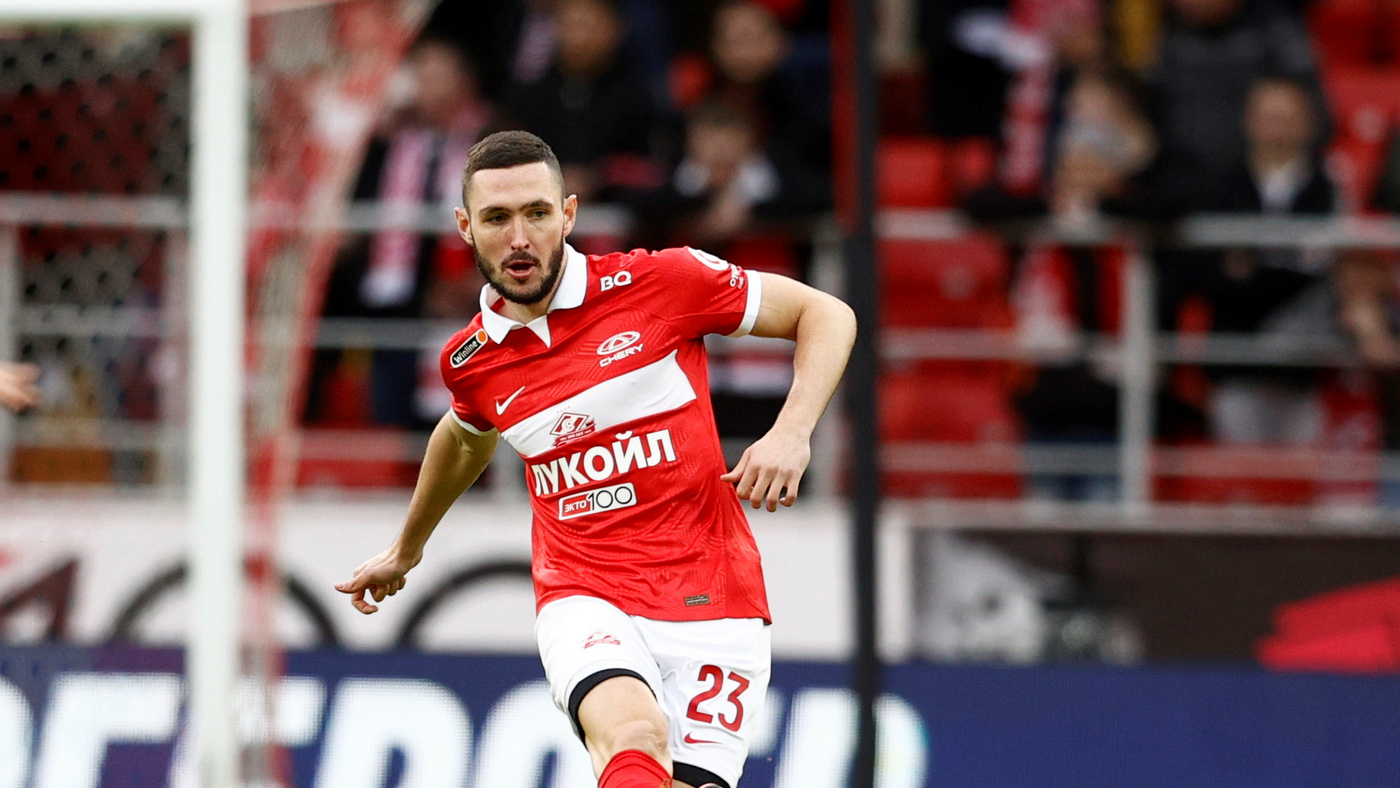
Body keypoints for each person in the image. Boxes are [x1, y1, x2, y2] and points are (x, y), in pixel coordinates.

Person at [334, 131, 856, 788]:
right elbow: (466, 435)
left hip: (714, 597)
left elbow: (826, 314)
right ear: (466, 227)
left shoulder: (663, 283)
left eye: (536, 213)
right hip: (586, 593)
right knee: (635, 734)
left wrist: (791, 432)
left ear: (568, 214)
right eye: (496, 218)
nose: (518, 238)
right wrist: (406, 549)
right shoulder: (472, 360)